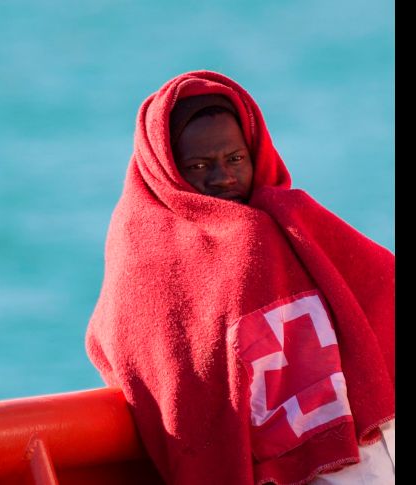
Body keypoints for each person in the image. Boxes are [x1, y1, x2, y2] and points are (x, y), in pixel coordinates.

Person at [84, 70, 394, 484]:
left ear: (255, 151)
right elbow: (138, 350)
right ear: (167, 167)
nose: (223, 178)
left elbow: (380, 289)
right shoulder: (143, 248)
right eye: (198, 165)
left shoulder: (293, 221)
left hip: (355, 454)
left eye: (235, 159)